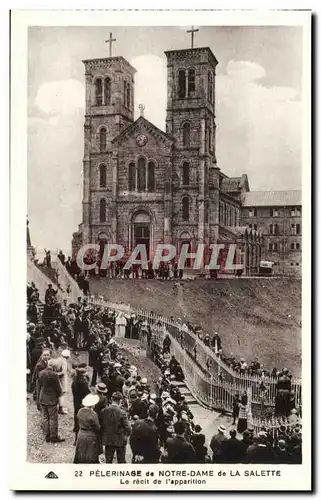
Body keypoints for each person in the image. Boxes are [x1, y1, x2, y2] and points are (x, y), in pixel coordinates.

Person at [38, 359, 64, 443]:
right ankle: (54, 437)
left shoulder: (41, 373)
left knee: (45, 417)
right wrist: (59, 395)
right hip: (51, 399)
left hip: (42, 397)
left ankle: (47, 435)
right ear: (54, 366)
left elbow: (39, 385)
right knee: (53, 418)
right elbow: (58, 389)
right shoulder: (54, 375)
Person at [100, 391, 131, 463]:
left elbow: (102, 425)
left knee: (108, 461)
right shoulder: (122, 412)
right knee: (121, 461)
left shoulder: (104, 411)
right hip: (120, 440)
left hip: (108, 439)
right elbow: (128, 428)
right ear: (120, 401)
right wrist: (126, 435)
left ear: (111, 399)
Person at [74, 394, 101, 464]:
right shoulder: (93, 414)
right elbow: (97, 427)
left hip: (81, 434)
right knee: (90, 453)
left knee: (81, 451)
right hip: (90, 435)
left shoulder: (79, 411)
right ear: (91, 405)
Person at [71, 363, 91, 443]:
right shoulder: (83, 384)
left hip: (76, 403)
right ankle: (79, 439)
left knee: (77, 418)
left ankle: (76, 439)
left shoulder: (74, 383)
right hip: (83, 403)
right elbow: (87, 393)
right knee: (82, 420)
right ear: (82, 375)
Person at [56, 348, 71, 414]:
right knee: (62, 393)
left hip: (57, 378)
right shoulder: (64, 362)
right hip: (62, 379)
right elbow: (64, 371)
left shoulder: (58, 359)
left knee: (58, 392)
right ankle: (60, 408)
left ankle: (58, 406)